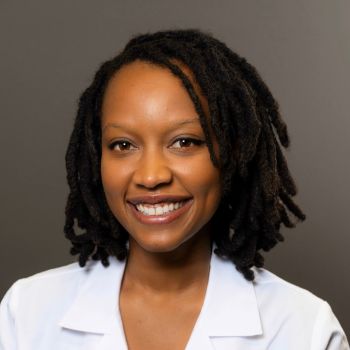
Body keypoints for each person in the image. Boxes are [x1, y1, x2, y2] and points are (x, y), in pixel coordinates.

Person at [0, 28, 348, 350]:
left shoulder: (304, 329)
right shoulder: (27, 312)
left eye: (184, 142)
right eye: (123, 145)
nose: (151, 176)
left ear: (232, 153)